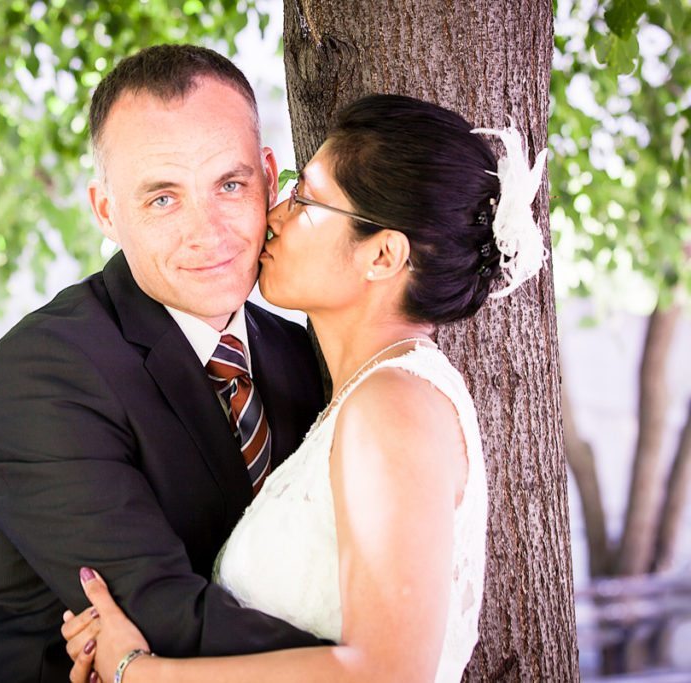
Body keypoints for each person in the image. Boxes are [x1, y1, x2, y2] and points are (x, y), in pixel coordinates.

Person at [61, 94, 548, 682]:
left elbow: (386, 675)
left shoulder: (391, 407)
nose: (275, 214)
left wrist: (136, 672)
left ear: (383, 254)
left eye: (307, 199)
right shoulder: (360, 396)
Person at [0, 45, 331, 682]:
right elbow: (160, 612)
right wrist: (374, 662)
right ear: (106, 211)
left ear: (268, 176)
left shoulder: (300, 355)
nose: (207, 233)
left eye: (229, 185)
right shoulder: (47, 371)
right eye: (162, 199)